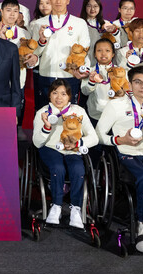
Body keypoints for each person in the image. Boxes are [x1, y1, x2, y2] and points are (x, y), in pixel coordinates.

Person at [96, 66, 143, 256]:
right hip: (127, 153)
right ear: (130, 84)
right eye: (138, 82)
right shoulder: (116, 105)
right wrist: (121, 140)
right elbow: (99, 134)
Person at [32, 79, 98, 228]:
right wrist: (46, 128)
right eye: (55, 93)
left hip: (72, 150)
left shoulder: (78, 111)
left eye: (63, 93)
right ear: (49, 95)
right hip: (50, 148)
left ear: (69, 96)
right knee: (58, 168)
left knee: (78, 169)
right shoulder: (42, 112)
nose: (59, 97)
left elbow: (94, 138)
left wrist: (77, 144)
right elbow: (37, 142)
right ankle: (56, 205)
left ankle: (76, 208)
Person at [28, 0, 90, 110]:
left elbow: (84, 50)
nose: (58, 1)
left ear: (68, 0)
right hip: (46, 75)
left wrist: (79, 69)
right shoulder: (39, 24)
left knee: (68, 116)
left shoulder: (79, 23)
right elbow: (35, 52)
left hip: (69, 76)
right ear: (50, 0)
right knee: (43, 112)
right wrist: (41, 40)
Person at [80, 0, 115, 65]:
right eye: (89, 6)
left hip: (102, 60)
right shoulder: (79, 23)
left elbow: (114, 44)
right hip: (85, 60)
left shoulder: (106, 24)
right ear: (85, 7)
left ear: (100, 8)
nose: (92, 9)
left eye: (95, 6)